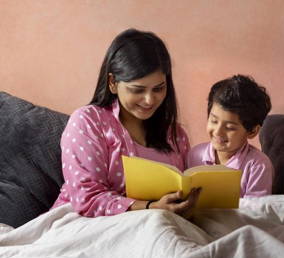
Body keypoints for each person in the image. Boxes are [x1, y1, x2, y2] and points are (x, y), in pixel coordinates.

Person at [51, 28, 200, 217]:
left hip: (159, 225)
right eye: (138, 90)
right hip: (86, 223)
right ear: (113, 82)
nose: (149, 100)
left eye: (158, 88)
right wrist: (151, 207)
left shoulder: (175, 135)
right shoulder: (88, 122)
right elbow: (87, 199)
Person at [187, 75, 274, 197]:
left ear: (252, 131)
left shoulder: (258, 165)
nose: (218, 132)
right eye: (214, 121)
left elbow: (256, 211)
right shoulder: (195, 155)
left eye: (229, 128)